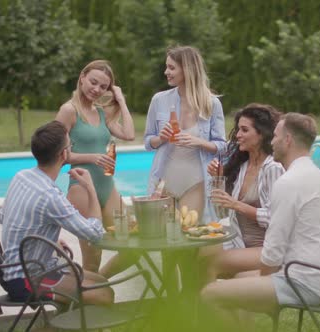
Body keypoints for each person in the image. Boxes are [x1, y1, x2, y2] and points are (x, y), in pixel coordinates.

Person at [201, 113, 320, 323]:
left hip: (301, 282)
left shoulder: (289, 182)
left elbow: (273, 251)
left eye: (275, 136)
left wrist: (262, 281)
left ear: (288, 140)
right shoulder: (319, 177)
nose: (272, 141)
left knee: (209, 295)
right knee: (240, 281)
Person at [0, 121, 112, 305]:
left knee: (101, 281)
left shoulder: (20, 176)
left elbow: (5, 218)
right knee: (104, 294)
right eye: (70, 145)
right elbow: (95, 234)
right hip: (27, 281)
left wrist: (47, 240)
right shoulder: (50, 196)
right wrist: (90, 188)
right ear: (64, 154)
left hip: (14, 271)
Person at [56, 60, 137, 277]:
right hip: (82, 189)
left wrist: (120, 99)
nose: (96, 89)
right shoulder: (68, 111)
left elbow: (129, 134)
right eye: (93, 82)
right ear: (82, 77)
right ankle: (87, 297)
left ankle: (97, 283)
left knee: (135, 245)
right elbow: (59, 156)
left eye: (103, 87)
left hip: (107, 187)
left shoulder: (102, 113)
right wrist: (93, 157)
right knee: (93, 258)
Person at [202, 104, 284, 282]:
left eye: (244, 130)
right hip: (238, 241)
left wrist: (236, 204)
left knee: (210, 262)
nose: (237, 135)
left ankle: (208, 305)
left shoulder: (273, 168)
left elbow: (277, 218)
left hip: (267, 248)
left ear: (262, 133)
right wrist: (217, 182)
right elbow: (223, 213)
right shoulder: (243, 166)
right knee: (196, 253)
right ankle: (191, 306)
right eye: (238, 129)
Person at [143, 45, 226, 222]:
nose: (166, 72)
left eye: (172, 67)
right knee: (164, 238)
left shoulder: (211, 103)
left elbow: (222, 146)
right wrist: (161, 138)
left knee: (189, 235)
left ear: (188, 69)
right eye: (167, 67)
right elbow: (148, 142)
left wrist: (198, 142)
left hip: (195, 182)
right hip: (163, 181)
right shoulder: (159, 100)